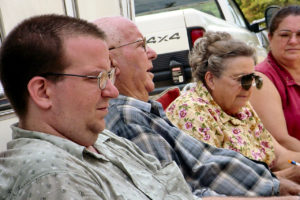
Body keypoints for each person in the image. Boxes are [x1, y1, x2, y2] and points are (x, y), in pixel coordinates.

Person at [0, 14, 207, 200]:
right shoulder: (54, 176)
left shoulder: (103, 141)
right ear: (43, 92)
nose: (112, 91)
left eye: (109, 75)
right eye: (96, 78)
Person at [95, 16, 300, 197]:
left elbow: (276, 153)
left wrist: (276, 181)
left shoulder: (242, 107)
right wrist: (276, 186)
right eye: (142, 45)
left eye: (253, 79)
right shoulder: (139, 116)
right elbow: (183, 192)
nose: (153, 53)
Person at [165, 31, 300, 172]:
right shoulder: (190, 112)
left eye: (252, 79)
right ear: (211, 79)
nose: (248, 87)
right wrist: (284, 178)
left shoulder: (240, 107)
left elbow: (279, 157)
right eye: (241, 79)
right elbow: (216, 180)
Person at [250, 5, 300, 152]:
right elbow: (280, 140)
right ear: (270, 37)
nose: (293, 41)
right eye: (285, 35)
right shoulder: (261, 78)